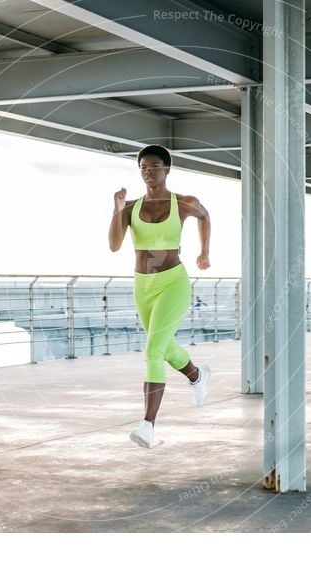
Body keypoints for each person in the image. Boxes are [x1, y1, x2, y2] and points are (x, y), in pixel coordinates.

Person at [108, 144, 212, 449]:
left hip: (173, 283)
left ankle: (148, 425)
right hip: (142, 286)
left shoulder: (183, 203)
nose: (147, 172)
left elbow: (205, 216)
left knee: (153, 351)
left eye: (154, 166)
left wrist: (204, 253)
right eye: (143, 167)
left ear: (167, 169)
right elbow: (115, 245)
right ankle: (196, 375)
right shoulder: (131, 208)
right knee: (164, 348)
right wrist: (117, 210)